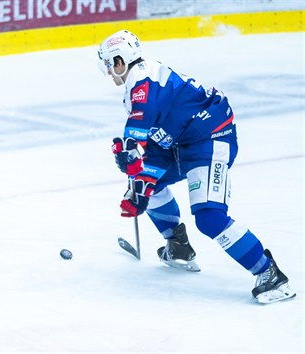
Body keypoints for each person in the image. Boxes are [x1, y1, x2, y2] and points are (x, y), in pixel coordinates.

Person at [97, 30, 295, 304]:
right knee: (148, 187)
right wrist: (140, 186)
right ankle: (178, 246)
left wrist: (131, 150)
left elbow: (139, 126)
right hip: (182, 145)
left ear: (120, 61)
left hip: (211, 138)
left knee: (209, 217)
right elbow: (155, 144)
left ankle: (269, 274)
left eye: (109, 64)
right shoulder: (137, 86)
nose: (109, 73)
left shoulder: (145, 78)